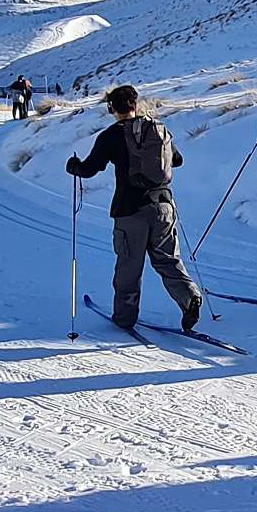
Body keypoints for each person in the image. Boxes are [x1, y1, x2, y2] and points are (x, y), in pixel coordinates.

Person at [67, 85, 203, 332]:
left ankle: (125, 317)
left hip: (130, 209)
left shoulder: (110, 136)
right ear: (136, 104)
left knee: (129, 267)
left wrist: (73, 166)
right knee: (168, 260)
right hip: (163, 206)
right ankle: (189, 297)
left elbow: (88, 170)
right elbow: (177, 160)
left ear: (112, 108)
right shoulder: (157, 129)